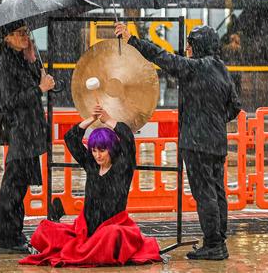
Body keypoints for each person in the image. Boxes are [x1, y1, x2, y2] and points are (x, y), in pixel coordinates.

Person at [115, 23, 241, 261]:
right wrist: (214, 119)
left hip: (196, 142)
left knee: (205, 194)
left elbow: (161, 57)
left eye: (190, 45)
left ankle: (213, 245)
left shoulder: (194, 68)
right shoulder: (222, 69)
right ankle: (218, 241)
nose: (187, 49)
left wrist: (133, 41)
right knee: (217, 191)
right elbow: (235, 106)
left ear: (198, 46)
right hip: (216, 141)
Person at [19, 104, 161, 267]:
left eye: (102, 150)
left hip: (112, 227)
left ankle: (92, 250)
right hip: (86, 230)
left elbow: (128, 139)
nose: (97, 155)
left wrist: (108, 120)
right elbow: (70, 138)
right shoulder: (91, 165)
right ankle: (88, 248)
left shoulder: (123, 167)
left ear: (112, 149)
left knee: (110, 234)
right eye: (94, 150)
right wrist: (91, 119)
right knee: (46, 228)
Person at [0, 21, 55, 254]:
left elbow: (39, 84)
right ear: (7, 37)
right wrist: (39, 89)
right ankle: (8, 238)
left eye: (27, 32)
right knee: (13, 186)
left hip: (29, 130)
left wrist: (34, 63)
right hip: (19, 130)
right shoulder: (3, 62)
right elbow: (9, 101)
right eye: (20, 33)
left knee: (20, 186)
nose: (25, 36)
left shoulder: (22, 58)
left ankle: (15, 234)